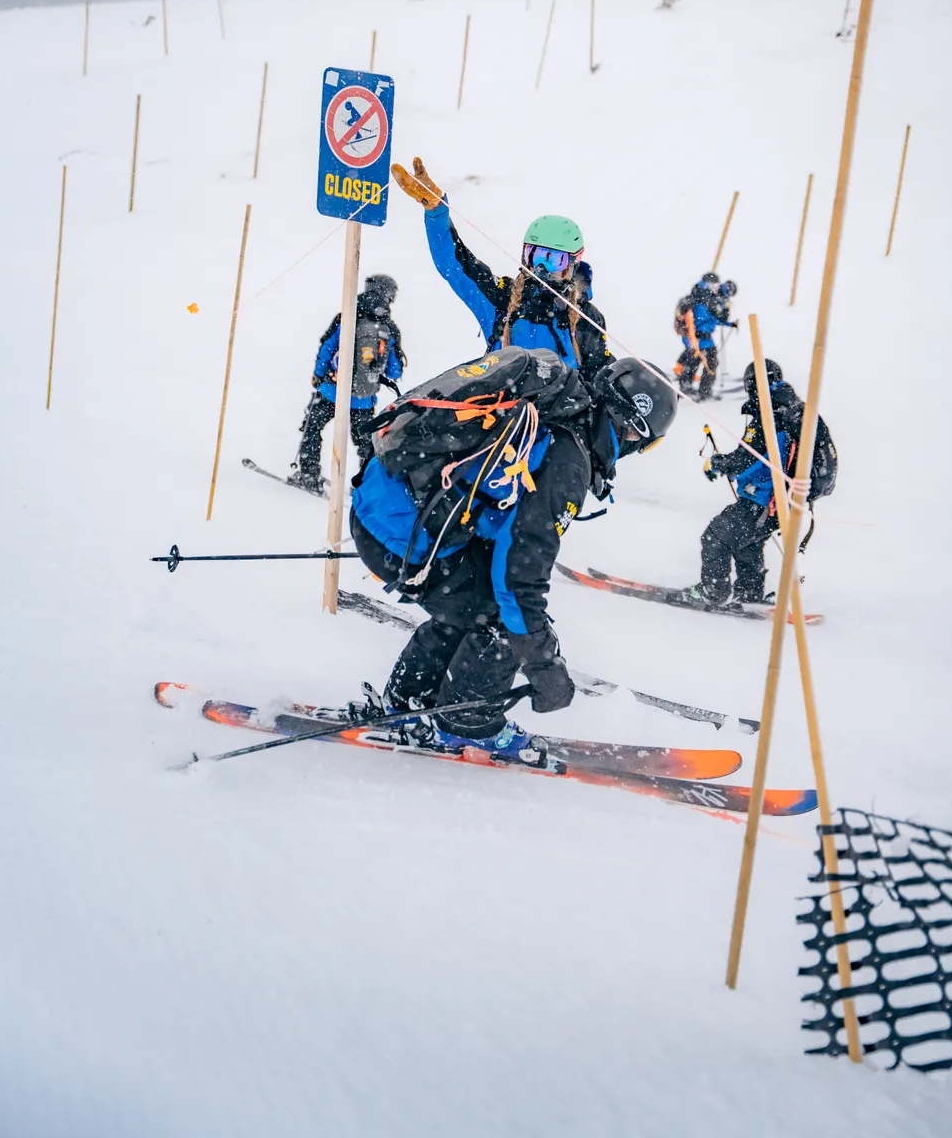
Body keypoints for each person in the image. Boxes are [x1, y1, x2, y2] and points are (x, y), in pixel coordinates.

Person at [350, 350, 678, 758]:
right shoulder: (568, 465)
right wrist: (544, 666)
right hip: (400, 534)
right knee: (500, 614)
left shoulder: (559, 410)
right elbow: (520, 579)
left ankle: (409, 701)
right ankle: (466, 723)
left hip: (383, 504)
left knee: (476, 597)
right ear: (634, 430)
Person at [391, 155, 611, 377]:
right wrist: (436, 211)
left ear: (572, 263)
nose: (541, 267)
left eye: (553, 259)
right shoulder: (502, 298)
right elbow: (454, 264)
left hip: (560, 410)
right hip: (502, 410)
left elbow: (598, 384)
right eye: (534, 255)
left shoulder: (585, 318)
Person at [687, 359, 810, 610]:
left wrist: (718, 463)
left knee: (715, 537)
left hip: (763, 502)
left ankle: (713, 591)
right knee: (747, 544)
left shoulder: (770, 414)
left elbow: (747, 457)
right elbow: (761, 457)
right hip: (778, 504)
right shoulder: (787, 411)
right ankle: (749, 594)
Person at [289, 274, 406, 492]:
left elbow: (327, 349)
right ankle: (365, 487)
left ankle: (308, 475)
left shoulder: (349, 316)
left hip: (331, 391)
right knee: (365, 445)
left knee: (312, 428)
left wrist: (319, 375)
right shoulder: (388, 329)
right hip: (363, 399)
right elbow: (394, 370)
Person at [673, 272, 737, 400]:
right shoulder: (708, 297)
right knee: (707, 363)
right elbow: (718, 316)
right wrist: (726, 308)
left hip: (694, 337)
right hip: (700, 338)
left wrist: (729, 324)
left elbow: (710, 318)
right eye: (715, 284)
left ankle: (688, 387)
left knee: (696, 361)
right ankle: (702, 391)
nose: (717, 287)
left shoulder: (699, 293)